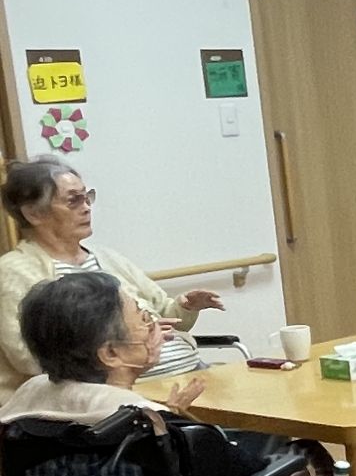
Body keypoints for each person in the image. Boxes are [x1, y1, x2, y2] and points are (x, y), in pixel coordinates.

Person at [1, 272, 289, 476]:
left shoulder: (25, 419)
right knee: (290, 467)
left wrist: (170, 417)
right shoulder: (147, 430)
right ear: (111, 353)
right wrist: (179, 425)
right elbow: (244, 471)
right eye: (143, 318)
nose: (154, 327)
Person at [0, 157, 222, 394]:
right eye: (73, 200)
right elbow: (29, 357)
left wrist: (185, 307)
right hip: (118, 396)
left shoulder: (107, 258)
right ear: (34, 213)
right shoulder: (12, 272)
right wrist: (132, 345)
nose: (87, 207)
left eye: (87, 197)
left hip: (189, 371)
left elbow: (166, 315)